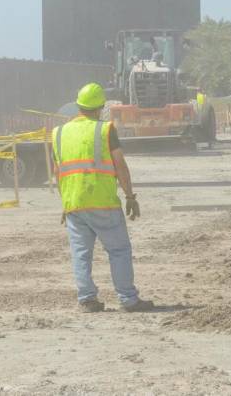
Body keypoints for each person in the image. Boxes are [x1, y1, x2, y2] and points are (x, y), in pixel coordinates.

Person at [51, 82, 152, 312]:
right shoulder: (105, 130)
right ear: (100, 108)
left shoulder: (59, 133)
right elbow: (120, 165)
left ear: (78, 105)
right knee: (119, 251)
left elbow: (58, 172)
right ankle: (128, 299)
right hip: (103, 202)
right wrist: (130, 196)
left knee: (80, 254)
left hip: (74, 204)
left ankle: (87, 300)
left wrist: (65, 203)